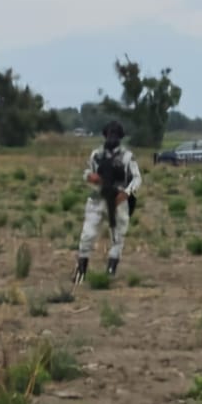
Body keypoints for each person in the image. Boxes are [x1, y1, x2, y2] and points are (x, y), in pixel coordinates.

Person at [73, 120, 142, 283]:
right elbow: (87, 171)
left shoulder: (127, 156)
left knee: (118, 237)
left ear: (120, 136)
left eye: (115, 134)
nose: (112, 137)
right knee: (87, 235)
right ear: (105, 135)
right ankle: (81, 270)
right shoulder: (96, 154)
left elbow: (137, 178)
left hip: (118, 199)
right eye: (109, 134)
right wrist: (90, 176)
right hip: (98, 198)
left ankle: (111, 271)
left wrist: (126, 193)